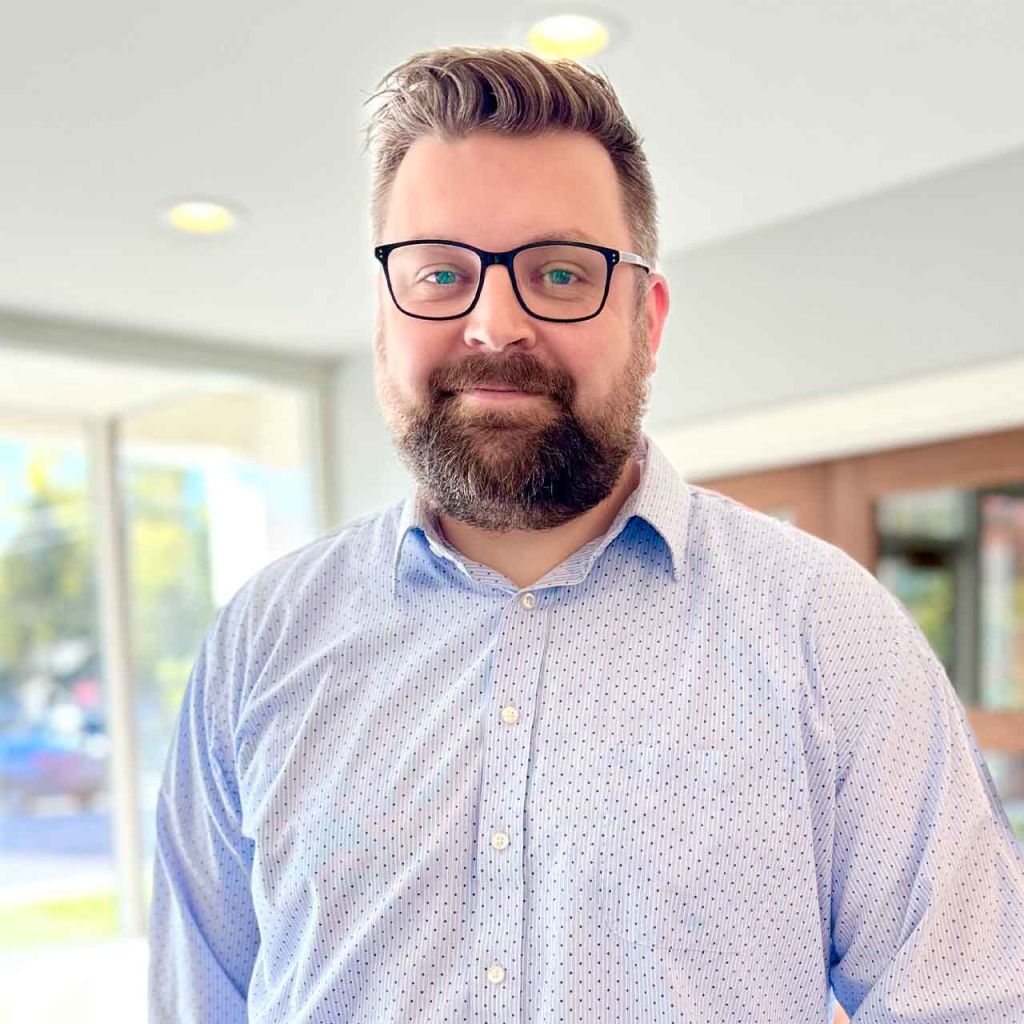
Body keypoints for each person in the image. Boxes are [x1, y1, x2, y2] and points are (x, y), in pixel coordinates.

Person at [148, 45, 1024, 1023]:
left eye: (559, 271)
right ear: (385, 314)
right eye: (438, 272)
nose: (493, 323)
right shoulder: (262, 643)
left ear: (645, 319)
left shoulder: (829, 634)